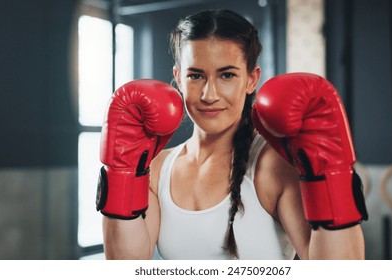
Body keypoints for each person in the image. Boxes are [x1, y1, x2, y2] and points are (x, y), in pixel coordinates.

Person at [96, 9, 367, 260]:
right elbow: (127, 266)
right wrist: (122, 172)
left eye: (226, 75)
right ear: (178, 78)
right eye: (196, 76)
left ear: (251, 79)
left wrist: (331, 175)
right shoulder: (156, 169)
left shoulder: (272, 167)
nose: (209, 95)